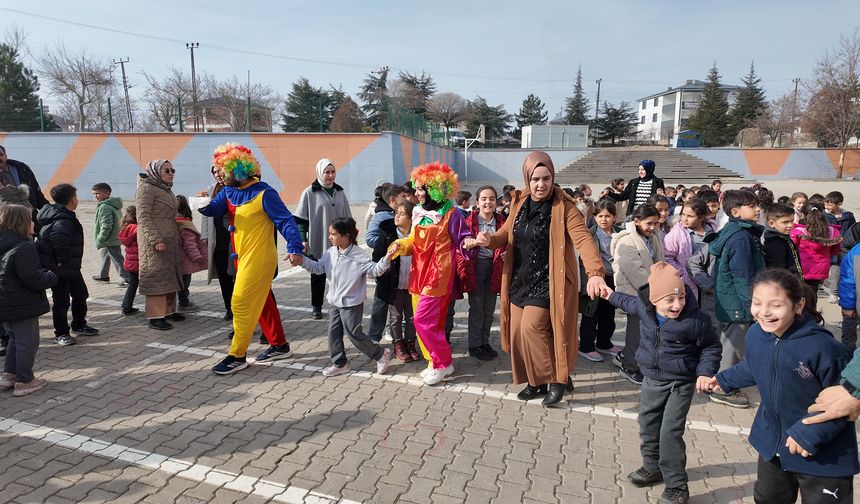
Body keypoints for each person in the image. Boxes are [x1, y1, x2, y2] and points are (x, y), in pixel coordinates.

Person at [705, 269, 857, 503]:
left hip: (823, 456)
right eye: (757, 303)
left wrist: (808, 434)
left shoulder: (824, 348)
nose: (764, 312)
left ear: (798, 305)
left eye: (775, 305)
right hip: (773, 447)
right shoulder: (756, 334)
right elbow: (753, 366)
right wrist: (724, 380)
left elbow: (842, 405)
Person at [469, 152, 607, 405]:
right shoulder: (519, 203)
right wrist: (490, 239)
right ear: (527, 179)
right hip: (520, 280)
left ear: (553, 178)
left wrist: (595, 273)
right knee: (518, 334)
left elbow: (584, 240)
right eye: (535, 179)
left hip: (549, 282)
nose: (540, 184)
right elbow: (504, 234)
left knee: (531, 328)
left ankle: (557, 379)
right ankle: (536, 381)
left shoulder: (565, 208)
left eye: (546, 178)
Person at [602, 263, 721, 504]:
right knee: (648, 424)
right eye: (669, 301)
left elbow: (711, 346)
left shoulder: (696, 320)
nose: (677, 305)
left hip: (681, 383)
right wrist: (609, 294)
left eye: (681, 298)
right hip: (651, 379)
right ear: (654, 300)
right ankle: (652, 466)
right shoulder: (644, 308)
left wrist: (705, 372)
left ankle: (677, 486)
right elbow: (626, 302)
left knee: (669, 433)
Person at [199, 144, 304, 374]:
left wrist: (295, 247)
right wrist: (201, 204)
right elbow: (214, 209)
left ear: (240, 170)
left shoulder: (265, 193)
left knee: (240, 302)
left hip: (259, 259)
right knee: (263, 301)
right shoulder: (228, 191)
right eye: (219, 171)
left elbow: (286, 221)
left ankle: (237, 355)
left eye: (225, 171)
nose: (221, 176)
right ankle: (279, 345)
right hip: (240, 257)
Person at [389, 162, 476, 386]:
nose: (416, 194)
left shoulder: (451, 214)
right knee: (429, 324)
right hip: (417, 274)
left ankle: (443, 362)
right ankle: (434, 362)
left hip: (438, 276)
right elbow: (412, 241)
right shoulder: (419, 212)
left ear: (435, 189)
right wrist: (400, 245)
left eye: (421, 189)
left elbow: (465, 239)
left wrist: (469, 242)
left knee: (422, 321)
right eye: (417, 189)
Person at [289, 217, 393, 376]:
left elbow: (375, 270)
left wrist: (387, 259)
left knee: (354, 334)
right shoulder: (330, 252)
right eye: (330, 233)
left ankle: (380, 354)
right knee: (333, 335)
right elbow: (317, 268)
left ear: (346, 236)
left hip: (351, 303)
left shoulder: (359, 255)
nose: (330, 237)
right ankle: (340, 363)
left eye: (333, 234)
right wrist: (301, 260)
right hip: (334, 302)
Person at [707, 189, 764, 408]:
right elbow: (743, 276)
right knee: (733, 343)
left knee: (731, 341)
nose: (757, 209)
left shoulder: (737, 231)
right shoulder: (740, 237)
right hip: (738, 302)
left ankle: (727, 379)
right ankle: (723, 387)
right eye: (752, 206)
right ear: (736, 212)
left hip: (731, 299)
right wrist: (753, 306)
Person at [0, 204, 57, 396]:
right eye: (31, 219)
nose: (34, 222)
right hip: (20, 303)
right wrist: (50, 276)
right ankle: (25, 381)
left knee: (15, 339)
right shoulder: (23, 247)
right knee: (28, 342)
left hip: (5, 301)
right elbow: (33, 279)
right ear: (22, 223)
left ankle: (10, 375)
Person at [36, 183, 99, 346]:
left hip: (70, 267)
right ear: (72, 200)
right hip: (60, 268)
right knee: (62, 301)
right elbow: (59, 238)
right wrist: (63, 259)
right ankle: (61, 333)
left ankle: (79, 324)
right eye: (76, 197)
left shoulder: (61, 214)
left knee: (80, 295)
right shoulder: (62, 219)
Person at [610, 204, 663, 386]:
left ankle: (626, 356)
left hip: (649, 290)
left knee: (643, 330)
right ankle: (629, 366)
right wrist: (656, 290)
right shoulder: (627, 240)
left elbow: (658, 262)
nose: (653, 227)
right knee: (637, 331)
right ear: (636, 221)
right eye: (649, 223)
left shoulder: (652, 238)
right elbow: (635, 271)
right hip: (635, 292)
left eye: (655, 223)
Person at [294, 159, 352, 320]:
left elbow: (348, 217)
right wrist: (303, 239)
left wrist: (351, 236)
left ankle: (341, 304)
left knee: (340, 272)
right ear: (320, 172)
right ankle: (316, 306)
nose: (330, 175)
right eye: (327, 172)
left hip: (339, 241)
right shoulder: (309, 193)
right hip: (318, 239)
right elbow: (301, 219)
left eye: (332, 172)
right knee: (318, 274)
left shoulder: (340, 192)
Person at [136, 160, 185, 331]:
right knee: (156, 277)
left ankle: (169, 311)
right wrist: (155, 240)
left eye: (173, 169)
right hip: (154, 242)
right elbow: (143, 218)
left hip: (169, 239)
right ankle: (155, 316)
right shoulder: (146, 189)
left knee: (169, 276)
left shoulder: (165, 188)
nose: (171, 173)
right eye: (166, 170)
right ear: (155, 172)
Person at [460, 185, 505, 361]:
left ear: (496, 202)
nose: (488, 202)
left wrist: (508, 251)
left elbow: (509, 240)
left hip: (495, 267)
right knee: (477, 308)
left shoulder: (502, 221)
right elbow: (460, 243)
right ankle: (474, 345)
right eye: (484, 199)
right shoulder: (469, 221)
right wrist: (467, 243)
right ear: (477, 202)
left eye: (492, 199)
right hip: (476, 267)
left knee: (489, 308)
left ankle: (484, 342)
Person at [373, 201, 418, 362]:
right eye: (396, 213)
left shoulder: (418, 236)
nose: (397, 216)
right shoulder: (387, 234)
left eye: (402, 213)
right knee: (396, 317)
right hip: (394, 285)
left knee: (413, 317)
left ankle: (411, 344)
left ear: (412, 218)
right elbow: (376, 258)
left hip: (414, 286)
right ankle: (398, 345)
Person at [577, 199, 622, 362]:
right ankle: (586, 346)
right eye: (600, 216)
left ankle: (604, 342)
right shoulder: (589, 235)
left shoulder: (620, 233)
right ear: (594, 217)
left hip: (613, 279)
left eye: (608, 216)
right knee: (591, 313)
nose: (604, 219)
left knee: (608, 313)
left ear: (614, 217)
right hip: (594, 279)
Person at [365, 184, 407, 343]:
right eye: (403, 197)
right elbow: (370, 239)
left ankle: (391, 332)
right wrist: (389, 243)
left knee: (397, 301)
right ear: (393, 199)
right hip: (385, 267)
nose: (406, 199)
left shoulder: (400, 214)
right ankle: (373, 337)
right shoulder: (381, 217)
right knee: (381, 301)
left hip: (400, 266)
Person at [199, 165, 234, 320]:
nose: (217, 174)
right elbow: (206, 216)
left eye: (220, 171)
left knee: (237, 277)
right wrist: (205, 236)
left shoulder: (236, 187)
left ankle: (240, 309)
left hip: (234, 239)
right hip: (218, 240)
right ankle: (229, 308)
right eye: (214, 172)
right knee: (224, 278)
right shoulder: (211, 189)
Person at [663, 198, 716, 298]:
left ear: (702, 217)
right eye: (683, 214)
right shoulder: (676, 234)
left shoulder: (713, 230)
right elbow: (667, 258)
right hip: (688, 282)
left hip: (710, 281)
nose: (685, 219)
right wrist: (684, 273)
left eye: (690, 216)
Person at [791, 203, 841, 291]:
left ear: (803, 215)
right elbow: (835, 250)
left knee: (800, 293)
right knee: (813, 292)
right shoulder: (833, 231)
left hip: (802, 268)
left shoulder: (798, 232)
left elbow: (792, 249)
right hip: (821, 268)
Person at [0, 145, 49, 231]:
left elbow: (37, 195)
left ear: (6, 155)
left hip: (28, 219)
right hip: (5, 223)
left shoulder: (22, 169)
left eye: (0, 154)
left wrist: (51, 212)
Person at [90, 183, 129, 286]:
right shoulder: (112, 204)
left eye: (97, 193)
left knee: (117, 259)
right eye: (94, 194)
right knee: (105, 255)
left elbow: (107, 225)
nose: (95, 196)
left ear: (107, 193)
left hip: (109, 238)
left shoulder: (105, 206)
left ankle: (127, 278)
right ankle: (103, 276)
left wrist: (101, 238)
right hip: (113, 237)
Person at [175, 195, 207, 312]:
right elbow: (190, 244)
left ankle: (181, 302)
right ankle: (184, 303)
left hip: (176, 258)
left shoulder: (173, 222)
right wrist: (197, 256)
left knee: (179, 283)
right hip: (185, 261)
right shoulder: (186, 225)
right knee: (184, 283)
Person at [762, 203, 802, 276]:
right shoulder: (775, 243)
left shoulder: (784, 237)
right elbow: (778, 270)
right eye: (785, 222)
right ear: (771, 223)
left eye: (792, 221)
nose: (790, 225)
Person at [118, 205, 140, 316]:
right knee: (145, 284)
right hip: (139, 261)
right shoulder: (137, 228)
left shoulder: (125, 227)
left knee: (133, 284)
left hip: (130, 262)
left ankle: (126, 306)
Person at [838, 240, 860, 351]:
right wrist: (848, 306)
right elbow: (848, 280)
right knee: (848, 340)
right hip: (855, 306)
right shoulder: (856, 252)